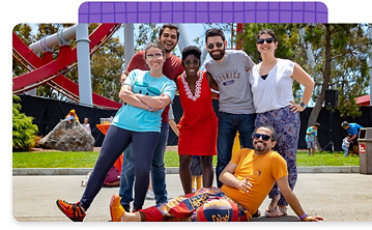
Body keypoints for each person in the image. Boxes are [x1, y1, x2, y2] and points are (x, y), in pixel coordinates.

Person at [56, 42, 177, 221]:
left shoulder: (169, 84)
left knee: (143, 170)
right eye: (150, 55)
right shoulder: (136, 74)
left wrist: (137, 98)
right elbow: (123, 94)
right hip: (121, 124)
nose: (154, 59)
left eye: (158, 54)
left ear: (164, 57)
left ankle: (136, 213)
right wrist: (148, 102)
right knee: (102, 165)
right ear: (145, 59)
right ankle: (81, 208)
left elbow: (160, 103)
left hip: (148, 129)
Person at [109, 125, 324, 222]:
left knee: (208, 212)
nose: (259, 139)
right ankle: (130, 217)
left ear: (273, 143)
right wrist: (238, 183)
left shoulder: (276, 160)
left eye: (265, 138)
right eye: (257, 136)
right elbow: (223, 176)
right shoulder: (243, 153)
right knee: (183, 202)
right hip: (219, 193)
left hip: (239, 209)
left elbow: (286, 191)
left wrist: (303, 216)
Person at [248, 29, 315, 218]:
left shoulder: (287, 65)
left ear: (275, 44)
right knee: (266, 161)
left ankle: (283, 204)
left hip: (285, 117)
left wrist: (302, 105)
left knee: (287, 161)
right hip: (262, 119)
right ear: (257, 46)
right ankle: (272, 197)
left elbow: (309, 83)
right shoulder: (253, 71)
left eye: (269, 40)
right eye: (261, 41)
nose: (265, 43)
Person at [119, 24, 184, 211]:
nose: (169, 39)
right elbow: (125, 75)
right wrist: (127, 84)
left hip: (160, 121)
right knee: (130, 162)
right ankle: (124, 204)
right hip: (134, 119)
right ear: (160, 37)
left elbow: (186, 84)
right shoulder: (140, 57)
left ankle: (161, 203)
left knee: (157, 163)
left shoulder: (177, 64)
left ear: (176, 41)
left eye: (173, 36)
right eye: (166, 35)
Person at [204, 28, 256, 188]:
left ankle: (249, 197)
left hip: (248, 112)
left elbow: (256, 75)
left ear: (225, 43)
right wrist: (219, 96)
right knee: (223, 158)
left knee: (250, 158)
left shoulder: (240, 57)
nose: (215, 49)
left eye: (218, 44)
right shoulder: (209, 66)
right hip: (225, 114)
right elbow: (209, 87)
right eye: (211, 46)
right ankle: (222, 196)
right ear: (207, 48)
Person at [176, 46, 218, 194]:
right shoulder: (179, 81)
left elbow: (221, 92)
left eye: (195, 62)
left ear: (199, 63)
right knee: (184, 161)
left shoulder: (207, 77)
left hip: (207, 124)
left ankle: (204, 198)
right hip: (188, 125)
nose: (192, 65)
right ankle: (188, 197)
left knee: (206, 162)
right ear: (183, 64)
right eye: (188, 62)